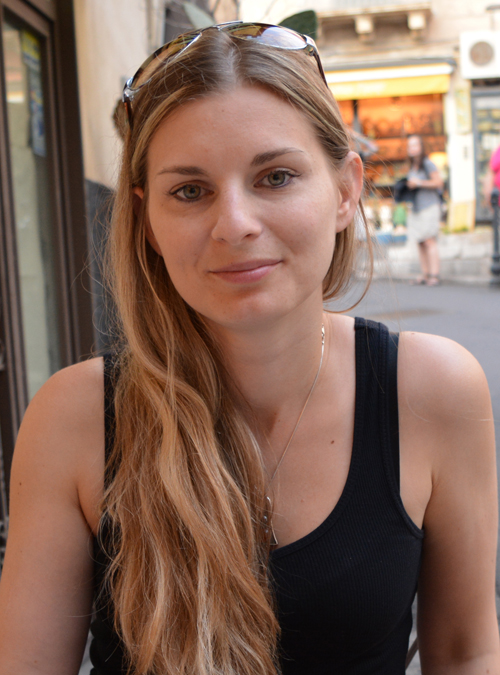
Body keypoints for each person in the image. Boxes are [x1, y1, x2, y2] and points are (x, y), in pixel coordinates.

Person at [0, 23, 498, 675]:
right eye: (190, 191)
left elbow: (466, 651)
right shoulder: (74, 418)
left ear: (345, 190)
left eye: (276, 176)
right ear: (147, 220)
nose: (234, 223)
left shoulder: (434, 390)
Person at [405, 134, 444, 286]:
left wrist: (419, 183)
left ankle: (434, 274)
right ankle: (425, 274)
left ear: (421, 147)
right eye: (410, 145)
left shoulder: (428, 163)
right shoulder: (412, 167)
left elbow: (439, 183)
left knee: (429, 240)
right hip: (416, 208)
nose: (412, 148)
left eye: (415, 145)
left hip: (429, 206)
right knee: (420, 241)